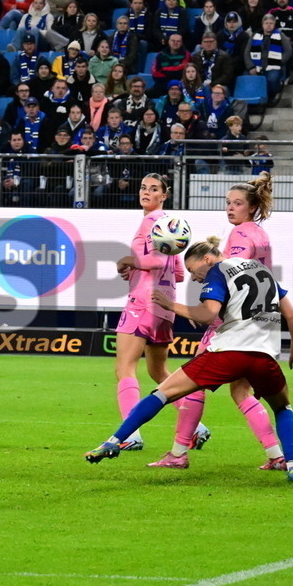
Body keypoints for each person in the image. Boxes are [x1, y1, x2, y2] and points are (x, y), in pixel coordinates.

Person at [85, 235, 293, 482]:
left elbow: (207, 314)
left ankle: (114, 441)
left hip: (228, 353)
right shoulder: (263, 271)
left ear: (207, 258)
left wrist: (171, 306)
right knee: (282, 406)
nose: (193, 277)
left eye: (193, 270)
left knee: (162, 392)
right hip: (265, 357)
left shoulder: (218, 271)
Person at [150, 173, 293, 470]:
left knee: (192, 385)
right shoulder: (261, 234)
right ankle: (277, 455)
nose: (230, 208)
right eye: (227, 203)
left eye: (237, 204)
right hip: (261, 325)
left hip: (233, 324)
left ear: (252, 207)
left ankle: (178, 453)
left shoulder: (240, 236)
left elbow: (235, 275)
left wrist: (211, 312)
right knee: (241, 391)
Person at [109, 174, 186, 451]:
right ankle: (195, 426)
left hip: (142, 303)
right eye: (143, 187)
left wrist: (131, 261)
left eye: (154, 189)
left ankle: (131, 434)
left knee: (125, 368)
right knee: (158, 371)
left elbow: (154, 260)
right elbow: (177, 273)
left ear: (163, 195)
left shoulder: (151, 221)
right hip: (165, 306)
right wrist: (135, 269)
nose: (146, 192)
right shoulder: (172, 226)